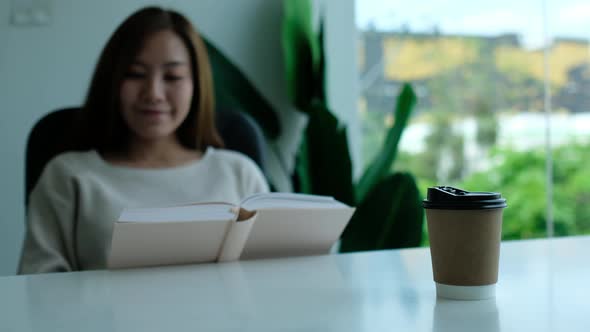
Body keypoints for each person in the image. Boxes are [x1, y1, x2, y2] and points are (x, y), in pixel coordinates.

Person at [18, 7, 269, 274]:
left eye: (172, 77)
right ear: (112, 81)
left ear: (196, 85)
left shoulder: (238, 173)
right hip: (100, 317)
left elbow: (267, 281)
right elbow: (37, 291)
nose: (153, 94)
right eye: (135, 74)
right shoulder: (70, 176)